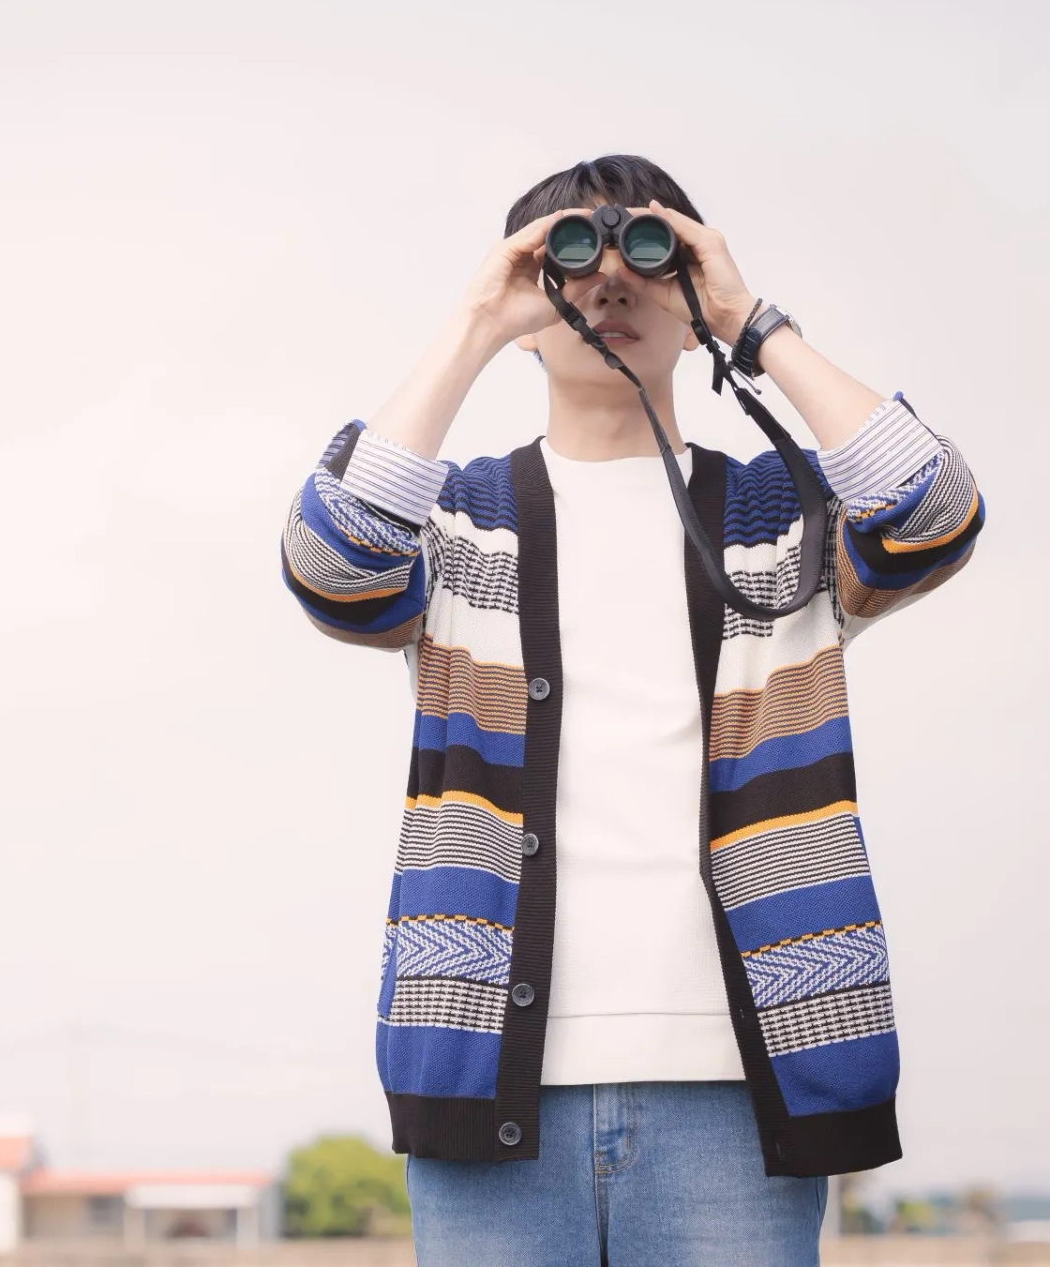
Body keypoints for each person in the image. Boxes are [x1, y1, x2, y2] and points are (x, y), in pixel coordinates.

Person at [279, 156, 983, 1265]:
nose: (612, 279)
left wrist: (748, 320)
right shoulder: (460, 523)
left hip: (741, 1087)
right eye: (573, 255)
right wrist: (477, 318)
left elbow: (935, 505)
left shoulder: (777, 515)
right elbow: (332, 560)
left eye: (649, 255)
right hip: (486, 1079)